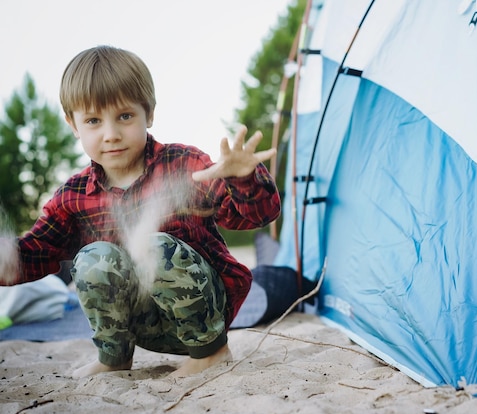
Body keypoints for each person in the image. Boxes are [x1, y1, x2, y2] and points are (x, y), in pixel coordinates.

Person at [0, 45, 281, 379]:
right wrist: (7, 258)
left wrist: (244, 180)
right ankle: (114, 357)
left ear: (148, 113)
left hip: (205, 314)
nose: (111, 134)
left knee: (149, 245)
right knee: (92, 258)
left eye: (125, 116)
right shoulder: (72, 197)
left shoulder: (184, 166)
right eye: (93, 120)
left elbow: (254, 216)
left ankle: (210, 353)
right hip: (142, 326)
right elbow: (35, 253)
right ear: (73, 124)